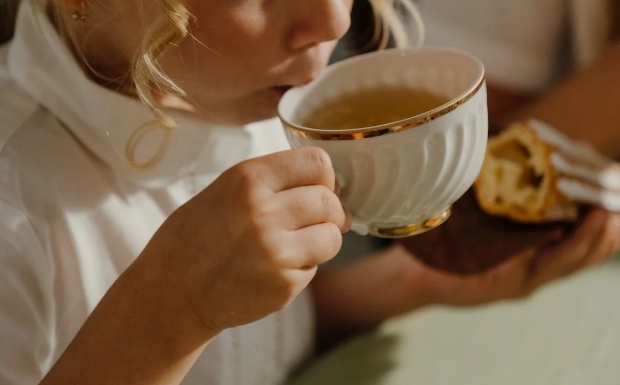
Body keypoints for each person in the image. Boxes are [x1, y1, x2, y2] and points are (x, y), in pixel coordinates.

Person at [0, 1, 619, 384]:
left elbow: (244, 352)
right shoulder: (15, 205)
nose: (334, 19)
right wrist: (168, 315)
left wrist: (412, 285)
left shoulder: (243, 99)